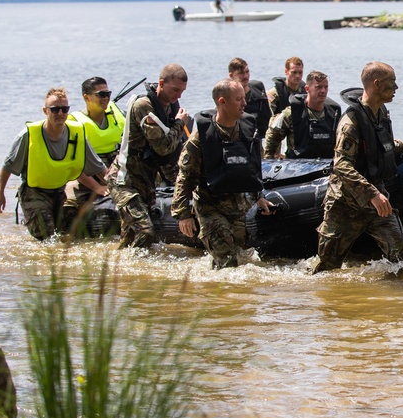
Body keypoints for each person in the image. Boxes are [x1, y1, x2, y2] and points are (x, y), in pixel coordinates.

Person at [313, 62, 403, 273]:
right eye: (392, 83)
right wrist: (372, 194)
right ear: (377, 84)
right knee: (327, 266)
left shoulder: (380, 113)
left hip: (376, 201)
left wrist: (402, 146)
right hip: (345, 204)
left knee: (402, 250)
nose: (396, 88)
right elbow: (342, 165)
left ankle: (399, 300)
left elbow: (379, 144)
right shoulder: (350, 123)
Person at [172, 79, 275, 269]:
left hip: (237, 205)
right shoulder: (202, 137)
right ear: (222, 102)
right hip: (210, 207)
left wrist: (258, 196)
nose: (244, 103)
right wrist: (183, 214)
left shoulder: (246, 130)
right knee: (227, 262)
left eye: (244, 98)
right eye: (239, 99)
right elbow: (185, 176)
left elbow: (251, 169)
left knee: (240, 259)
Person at [0, 87, 108, 240]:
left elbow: (99, 168)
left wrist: (117, 188)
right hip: (34, 192)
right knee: (46, 238)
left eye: (64, 109)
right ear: (45, 111)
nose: (60, 113)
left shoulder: (77, 133)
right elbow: (8, 166)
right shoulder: (29, 134)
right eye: (54, 110)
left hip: (60, 192)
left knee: (68, 235)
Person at [107, 63, 190, 249]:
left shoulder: (168, 108)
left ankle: (121, 271)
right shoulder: (144, 106)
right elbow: (162, 147)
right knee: (145, 232)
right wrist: (179, 123)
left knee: (129, 236)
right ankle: (132, 269)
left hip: (145, 180)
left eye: (182, 91)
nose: (179, 95)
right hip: (124, 180)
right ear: (161, 83)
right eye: (175, 89)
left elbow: (167, 157)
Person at [64, 76, 127, 230]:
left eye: (108, 94)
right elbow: (74, 166)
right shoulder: (74, 123)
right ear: (86, 97)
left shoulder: (117, 115)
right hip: (86, 174)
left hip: (114, 170)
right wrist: (96, 187)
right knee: (68, 203)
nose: (106, 98)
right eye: (101, 95)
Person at [263, 70, 341, 159]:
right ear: (307, 89)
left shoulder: (333, 114)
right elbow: (273, 135)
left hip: (325, 165)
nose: (323, 91)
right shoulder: (292, 113)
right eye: (318, 87)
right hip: (297, 166)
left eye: (325, 87)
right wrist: (270, 158)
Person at [228, 57, 272, 138]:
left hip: (256, 139)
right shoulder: (227, 96)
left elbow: (267, 119)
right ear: (231, 75)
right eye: (240, 73)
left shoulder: (258, 89)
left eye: (247, 72)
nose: (245, 76)